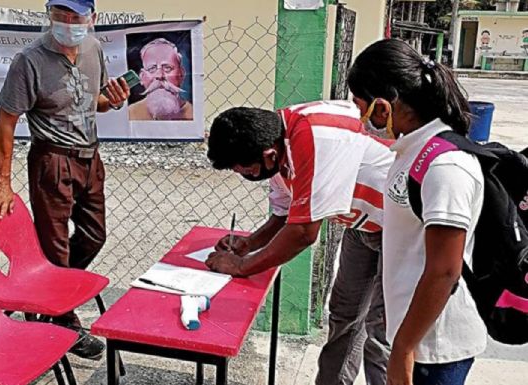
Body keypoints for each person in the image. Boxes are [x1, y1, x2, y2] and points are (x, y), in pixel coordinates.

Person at [0, 0, 130, 361]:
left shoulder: (94, 48)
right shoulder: (29, 61)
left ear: (91, 19)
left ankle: (48, 292)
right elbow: (6, 120)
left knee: (95, 236)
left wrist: (114, 101)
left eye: (76, 17)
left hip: (90, 158)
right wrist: (3, 181)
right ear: (49, 16)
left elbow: (91, 102)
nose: (67, 23)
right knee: (55, 245)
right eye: (59, 16)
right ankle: (62, 320)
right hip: (51, 161)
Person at [206, 101, 394, 385]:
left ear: (268, 155)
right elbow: (284, 213)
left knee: (382, 335)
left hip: (400, 228)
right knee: (345, 315)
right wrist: (249, 243)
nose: (243, 174)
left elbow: (304, 232)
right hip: (362, 224)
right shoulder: (277, 140)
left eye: (244, 169)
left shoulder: (312, 137)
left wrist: (242, 266)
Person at [347, 38, 487, 385]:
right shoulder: (411, 150)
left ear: (383, 107)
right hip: (414, 337)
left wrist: (403, 349)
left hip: (436, 347)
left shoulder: (445, 165)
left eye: (360, 107)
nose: (361, 120)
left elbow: (444, 271)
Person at [128, 38, 194, 121]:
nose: (159, 75)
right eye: (152, 68)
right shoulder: (130, 113)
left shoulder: (194, 115)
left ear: (181, 74)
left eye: (167, 68)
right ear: (142, 77)